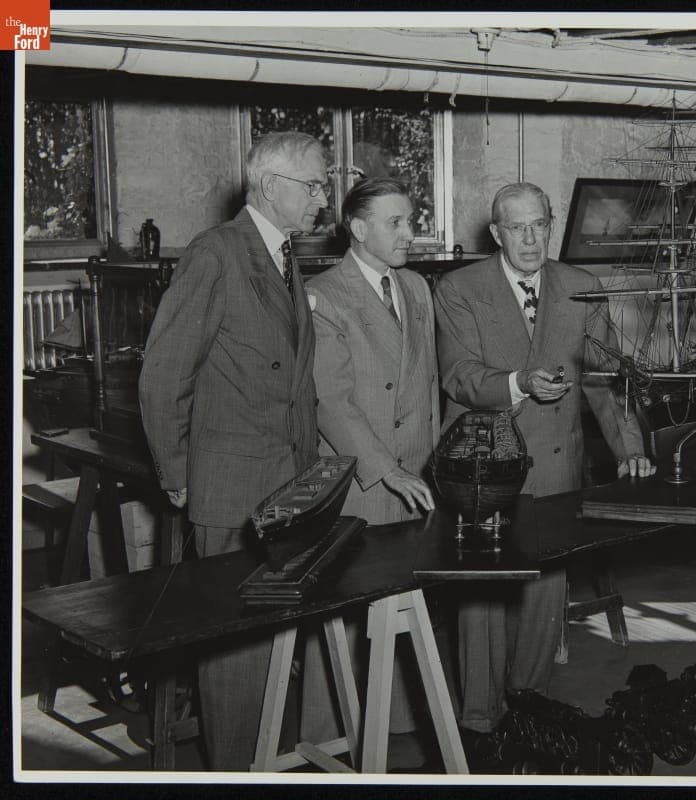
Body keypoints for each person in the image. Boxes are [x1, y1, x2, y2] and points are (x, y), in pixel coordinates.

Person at [433, 181, 655, 736]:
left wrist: (630, 449)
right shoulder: (459, 289)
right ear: (496, 233)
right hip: (486, 468)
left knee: (543, 592)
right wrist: (518, 382)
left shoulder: (582, 287)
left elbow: (604, 382)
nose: (531, 239)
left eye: (540, 225)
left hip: (557, 466)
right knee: (483, 597)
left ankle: (527, 711)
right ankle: (479, 721)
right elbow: (458, 374)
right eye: (518, 227)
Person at [138, 131, 329, 770]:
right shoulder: (217, 254)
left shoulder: (282, 255)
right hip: (234, 490)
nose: (324, 199)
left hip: (285, 489)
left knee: (270, 654)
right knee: (237, 666)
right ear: (271, 185)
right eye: (315, 185)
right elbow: (164, 373)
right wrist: (177, 471)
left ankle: (259, 765)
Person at [302, 177, 440, 740]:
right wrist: (388, 471)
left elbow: (425, 387)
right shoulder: (324, 295)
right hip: (360, 481)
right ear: (358, 230)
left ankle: (396, 724)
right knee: (340, 611)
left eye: (411, 220)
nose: (412, 233)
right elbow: (330, 403)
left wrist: (432, 465)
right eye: (397, 223)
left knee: (403, 605)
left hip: (415, 476)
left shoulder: (417, 288)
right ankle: (326, 730)